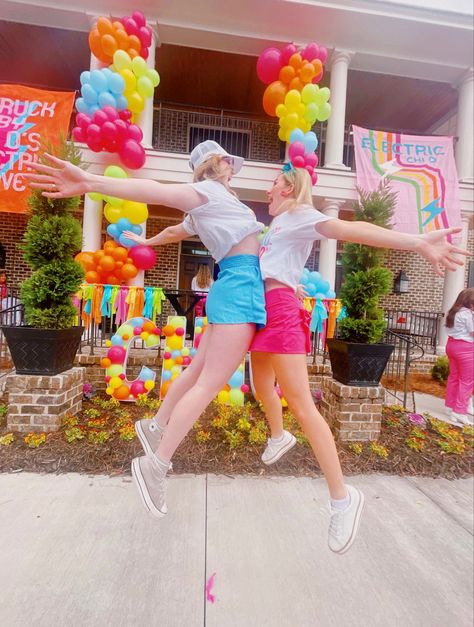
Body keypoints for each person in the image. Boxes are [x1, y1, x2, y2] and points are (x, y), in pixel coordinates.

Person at [26, 140, 266, 520]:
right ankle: (155, 465)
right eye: (228, 162)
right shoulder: (207, 192)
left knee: (199, 372)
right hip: (239, 286)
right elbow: (156, 191)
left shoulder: (214, 201)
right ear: (216, 164)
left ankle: (155, 426)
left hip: (235, 284)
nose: (233, 168)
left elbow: (175, 231)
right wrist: (91, 181)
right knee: (207, 384)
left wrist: (147, 240)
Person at [249, 164, 470, 554]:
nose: (268, 191)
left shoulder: (304, 215)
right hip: (262, 309)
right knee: (259, 384)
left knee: (302, 405)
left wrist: (416, 241)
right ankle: (279, 436)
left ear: (289, 189)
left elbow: (354, 231)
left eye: (273, 184)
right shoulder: (276, 227)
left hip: (280, 311)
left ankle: (342, 498)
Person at [444, 287, 474, 425]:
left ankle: (450, 406)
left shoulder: (452, 312)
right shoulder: (467, 314)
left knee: (454, 377)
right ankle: (460, 411)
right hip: (466, 349)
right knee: (467, 381)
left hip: (451, 345)